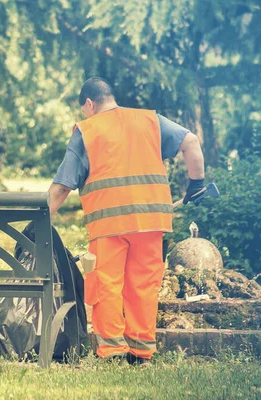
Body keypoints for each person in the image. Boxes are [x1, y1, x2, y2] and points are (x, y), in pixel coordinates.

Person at [48, 77, 205, 365]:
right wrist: (197, 184)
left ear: (89, 103)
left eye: (84, 109)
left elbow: (61, 187)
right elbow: (191, 142)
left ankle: (111, 352)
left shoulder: (88, 130)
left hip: (109, 224)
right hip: (151, 222)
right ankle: (141, 351)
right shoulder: (150, 120)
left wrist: (39, 220)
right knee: (144, 285)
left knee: (106, 284)